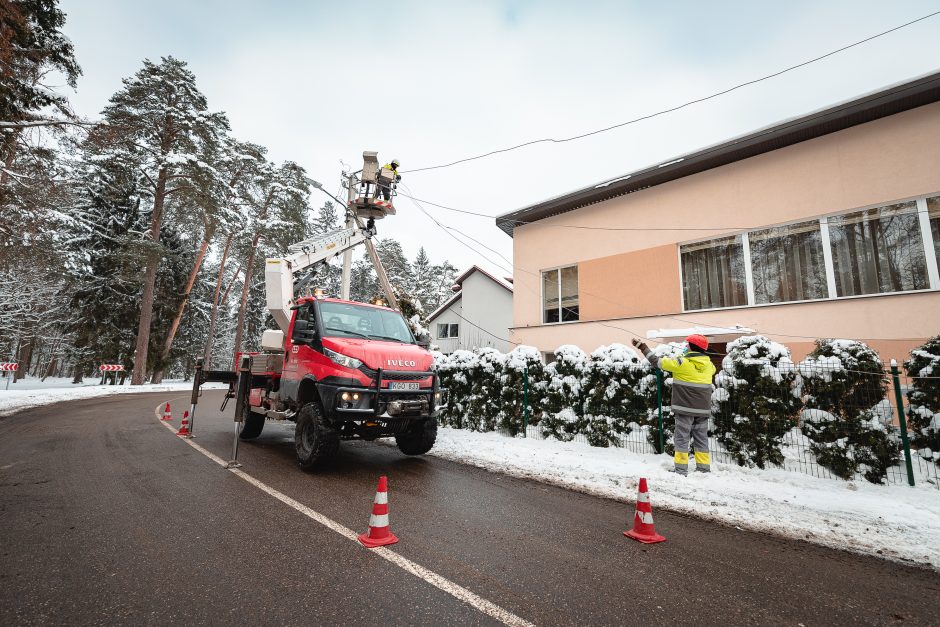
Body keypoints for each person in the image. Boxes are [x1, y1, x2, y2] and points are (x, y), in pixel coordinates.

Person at [632, 334, 716, 476]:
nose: (685, 347)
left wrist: (643, 347)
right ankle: (703, 469)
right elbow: (709, 370)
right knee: (701, 439)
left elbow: (656, 362)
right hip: (703, 410)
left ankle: (681, 470)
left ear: (691, 347)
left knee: (682, 439)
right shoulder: (710, 366)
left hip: (685, 409)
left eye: (687, 344)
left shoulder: (681, 363)